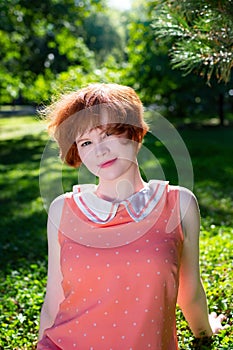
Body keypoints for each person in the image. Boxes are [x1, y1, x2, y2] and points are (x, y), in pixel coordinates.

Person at [37, 83, 227, 350]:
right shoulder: (62, 209)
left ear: (136, 134)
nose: (99, 150)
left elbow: (189, 289)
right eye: (86, 142)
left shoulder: (179, 204)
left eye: (108, 134)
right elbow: (53, 298)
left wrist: (205, 332)